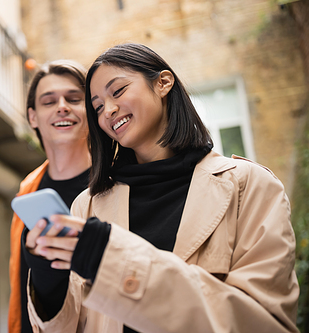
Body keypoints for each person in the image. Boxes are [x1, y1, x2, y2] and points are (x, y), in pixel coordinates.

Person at [23, 43, 299, 333]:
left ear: (163, 83)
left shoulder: (250, 186)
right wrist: (46, 281)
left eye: (117, 91)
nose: (109, 110)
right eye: (99, 107)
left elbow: (265, 323)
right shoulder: (87, 205)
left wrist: (109, 257)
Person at [8, 59, 91, 333]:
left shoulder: (118, 181)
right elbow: (21, 281)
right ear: (33, 117)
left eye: (74, 98)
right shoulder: (29, 189)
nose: (62, 106)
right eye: (49, 101)